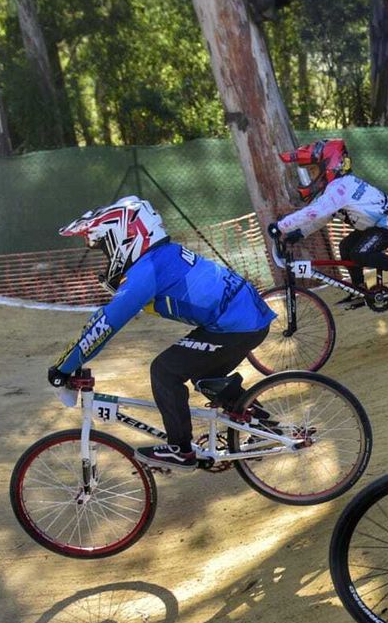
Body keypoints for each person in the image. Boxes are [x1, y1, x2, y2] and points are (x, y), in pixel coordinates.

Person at [47, 196, 276, 470]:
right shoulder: (160, 256)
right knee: (204, 375)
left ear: (124, 238)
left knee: (165, 371)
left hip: (237, 323)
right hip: (243, 316)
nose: (107, 260)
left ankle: (180, 450)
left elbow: (105, 324)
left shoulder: (147, 271)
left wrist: (63, 368)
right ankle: (263, 423)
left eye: (106, 250)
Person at [270, 138, 388, 300]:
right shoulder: (338, 187)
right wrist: (300, 233)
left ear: (329, 165)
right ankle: (359, 289)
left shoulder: (340, 187)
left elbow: (313, 212)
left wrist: (280, 226)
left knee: (360, 253)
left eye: (312, 171)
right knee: (346, 247)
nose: (310, 178)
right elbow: (324, 217)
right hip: (377, 225)